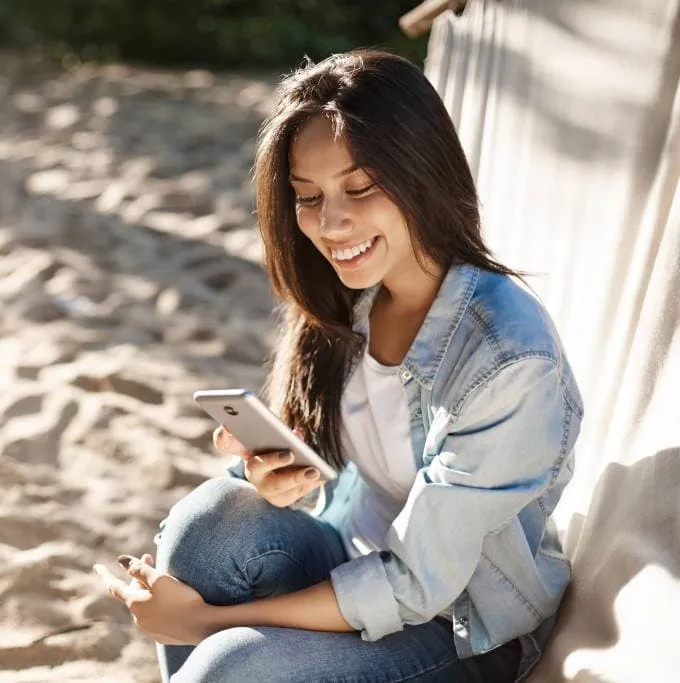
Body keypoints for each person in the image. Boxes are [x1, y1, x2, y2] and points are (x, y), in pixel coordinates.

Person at [94, 49, 583, 683]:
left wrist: (202, 622)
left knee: (231, 665)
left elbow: (417, 587)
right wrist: (274, 476)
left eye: (360, 188)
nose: (331, 224)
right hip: (348, 557)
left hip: (459, 629)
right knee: (209, 523)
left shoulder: (508, 360)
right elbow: (335, 475)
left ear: (423, 174)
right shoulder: (347, 297)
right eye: (307, 196)